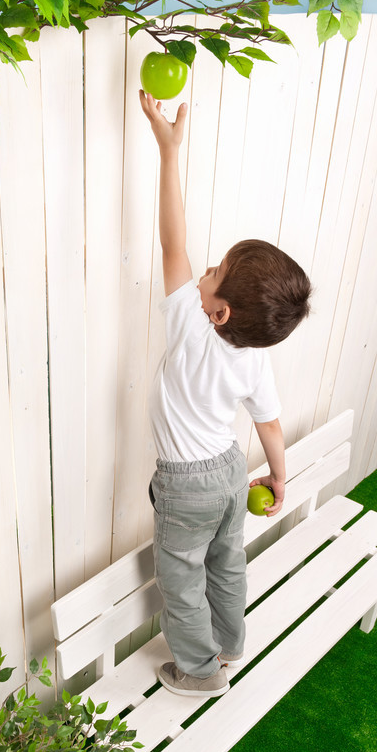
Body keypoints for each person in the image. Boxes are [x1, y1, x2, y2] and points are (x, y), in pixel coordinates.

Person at [140, 89, 312, 699]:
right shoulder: (255, 357)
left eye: (212, 273)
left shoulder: (189, 321)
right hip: (232, 473)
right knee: (226, 560)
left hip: (186, 485)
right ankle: (232, 644)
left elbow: (172, 244)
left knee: (181, 578)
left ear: (219, 313)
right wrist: (279, 477)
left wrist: (169, 152)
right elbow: (269, 425)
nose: (202, 272)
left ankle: (200, 671)